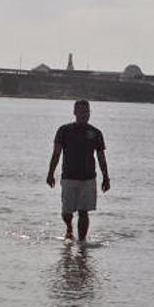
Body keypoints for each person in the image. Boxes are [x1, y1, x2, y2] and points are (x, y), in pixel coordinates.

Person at [46, 99, 110, 241]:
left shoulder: (95, 133)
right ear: (75, 113)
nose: (84, 115)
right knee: (67, 211)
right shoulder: (64, 130)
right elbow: (56, 154)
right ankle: (69, 227)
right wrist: (50, 173)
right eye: (81, 112)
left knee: (83, 212)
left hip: (88, 178)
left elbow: (101, 157)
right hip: (69, 176)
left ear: (89, 114)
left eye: (86, 112)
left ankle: (82, 243)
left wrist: (106, 177)